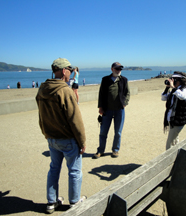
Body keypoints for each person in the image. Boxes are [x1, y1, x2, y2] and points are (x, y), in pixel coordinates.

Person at [36, 58, 87, 214]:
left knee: (54, 169)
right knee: (74, 171)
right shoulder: (65, 91)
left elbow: (41, 114)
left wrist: (45, 133)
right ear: (65, 71)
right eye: (70, 71)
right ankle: (74, 202)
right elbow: (75, 119)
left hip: (51, 137)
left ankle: (51, 202)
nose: (71, 74)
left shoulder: (43, 89)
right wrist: (82, 141)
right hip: (67, 138)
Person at [93, 62, 130, 159]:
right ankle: (100, 150)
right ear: (112, 69)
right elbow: (101, 94)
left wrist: (125, 103)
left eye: (120, 69)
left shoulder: (124, 80)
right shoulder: (105, 80)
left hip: (119, 110)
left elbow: (127, 93)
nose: (119, 71)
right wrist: (100, 107)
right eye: (117, 69)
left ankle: (115, 150)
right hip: (107, 110)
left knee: (118, 132)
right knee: (103, 132)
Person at [161, 71, 186, 150]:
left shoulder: (184, 90)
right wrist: (167, 87)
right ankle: (178, 156)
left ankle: (169, 160)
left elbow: (182, 97)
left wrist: (173, 88)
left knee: (169, 143)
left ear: (179, 81)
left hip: (178, 120)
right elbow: (163, 98)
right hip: (172, 119)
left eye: (174, 80)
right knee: (175, 140)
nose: (172, 81)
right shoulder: (174, 91)